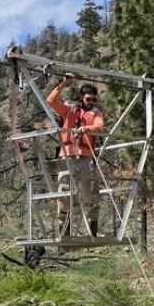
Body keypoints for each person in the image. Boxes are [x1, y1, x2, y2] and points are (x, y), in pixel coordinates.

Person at [46, 73, 104, 237]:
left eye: (93, 100)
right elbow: (50, 101)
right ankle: (64, 227)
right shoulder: (69, 110)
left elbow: (99, 127)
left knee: (89, 193)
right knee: (64, 192)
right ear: (81, 98)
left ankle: (92, 225)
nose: (91, 102)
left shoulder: (96, 113)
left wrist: (85, 129)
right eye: (88, 99)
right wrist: (63, 84)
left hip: (85, 157)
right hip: (67, 156)